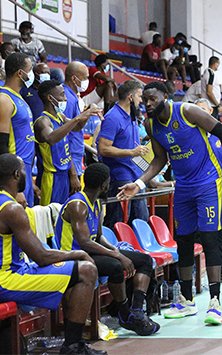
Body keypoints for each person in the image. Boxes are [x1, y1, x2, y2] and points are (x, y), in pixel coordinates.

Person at [116, 81, 222, 326]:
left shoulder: (187, 111)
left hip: (209, 181)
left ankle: (215, 301)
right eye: (145, 99)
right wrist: (139, 184)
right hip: (183, 186)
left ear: (165, 96)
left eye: (153, 98)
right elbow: (159, 161)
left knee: (210, 237)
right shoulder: (150, 125)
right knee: (183, 239)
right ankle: (186, 300)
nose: (148, 103)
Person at [0, 153, 105, 355]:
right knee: (86, 271)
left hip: (17, 269)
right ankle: (73, 346)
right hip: (6, 280)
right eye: (24, 171)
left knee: (75, 273)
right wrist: (77, 254)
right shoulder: (11, 209)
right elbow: (41, 256)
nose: (27, 175)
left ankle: (72, 341)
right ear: (15, 175)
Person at [55, 163, 160, 336]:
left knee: (145, 261)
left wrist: (115, 250)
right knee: (115, 265)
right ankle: (125, 314)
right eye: (109, 182)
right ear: (104, 185)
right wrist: (116, 255)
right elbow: (84, 242)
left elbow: (99, 236)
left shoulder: (95, 202)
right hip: (74, 256)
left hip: (91, 252)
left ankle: (137, 311)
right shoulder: (78, 205)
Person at [98, 80, 149, 228]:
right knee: (118, 219)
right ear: (130, 97)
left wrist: (146, 164)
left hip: (135, 170)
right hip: (119, 174)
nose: (142, 101)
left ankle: (138, 248)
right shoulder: (113, 117)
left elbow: (132, 146)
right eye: (140, 96)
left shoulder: (132, 115)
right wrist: (132, 152)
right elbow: (103, 148)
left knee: (141, 217)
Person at [34, 79, 92, 205]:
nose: (65, 98)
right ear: (50, 98)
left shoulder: (60, 117)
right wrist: (77, 118)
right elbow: (51, 138)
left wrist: (88, 113)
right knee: (50, 218)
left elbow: (76, 127)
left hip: (65, 174)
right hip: (51, 177)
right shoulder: (42, 121)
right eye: (62, 95)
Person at [195, 98, 222, 284]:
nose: (201, 113)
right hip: (198, 187)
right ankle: (198, 273)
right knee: (199, 232)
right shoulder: (191, 135)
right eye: (197, 110)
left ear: (210, 111)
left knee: (221, 231)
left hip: (220, 186)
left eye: (203, 110)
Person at [0, 52, 36, 207]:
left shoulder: (19, 98)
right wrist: (15, 186)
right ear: (21, 73)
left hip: (25, 170)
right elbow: (1, 145)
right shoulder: (4, 99)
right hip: (14, 174)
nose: (32, 74)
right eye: (30, 70)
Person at [64, 61, 100, 178]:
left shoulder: (73, 96)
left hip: (75, 155)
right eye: (85, 78)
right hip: (70, 160)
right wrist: (72, 172)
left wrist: (87, 112)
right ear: (74, 79)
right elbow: (68, 130)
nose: (87, 80)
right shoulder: (67, 98)